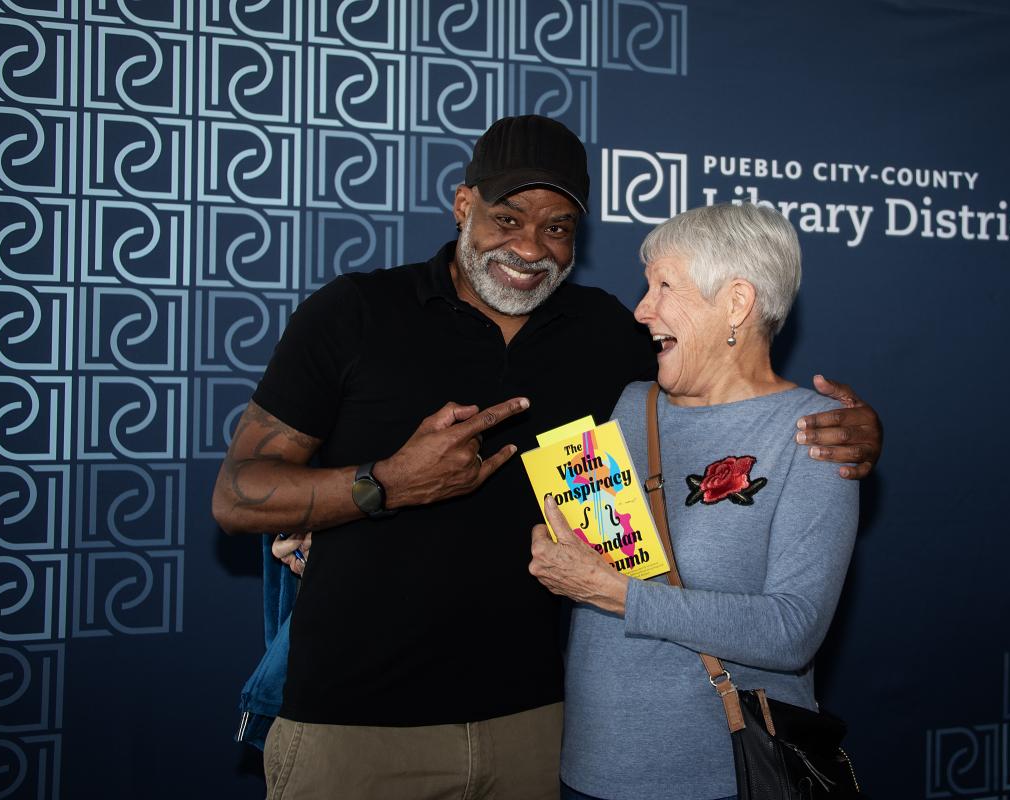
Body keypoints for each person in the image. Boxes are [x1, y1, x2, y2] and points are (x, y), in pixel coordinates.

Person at [213, 115, 881, 799]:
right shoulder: (355, 312)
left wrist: (853, 430)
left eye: (557, 227)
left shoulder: (610, 339)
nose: (530, 246)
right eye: (507, 218)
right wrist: (381, 483)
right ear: (463, 205)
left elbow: (728, 387)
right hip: (355, 727)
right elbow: (237, 495)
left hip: (533, 729)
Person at [527, 202, 859, 800]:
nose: (641, 309)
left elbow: (792, 631)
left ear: (736, 303)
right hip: (589, 771)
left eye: (664, 286)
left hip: (724, 778)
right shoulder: (629, 404)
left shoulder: (814, 434)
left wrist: (614, 594)